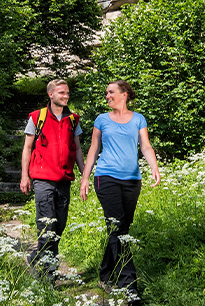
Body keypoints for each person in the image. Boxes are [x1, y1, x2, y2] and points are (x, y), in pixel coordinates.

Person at [80, 80, 160, 305]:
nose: (107, 96)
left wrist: (154, 167)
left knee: (121, 228)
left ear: (124, 95)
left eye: (111, 92)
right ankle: (130, 286)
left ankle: (105, 274)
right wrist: (85, 177)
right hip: (106, 178)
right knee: (117, 227)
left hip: (133, 180)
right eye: (106, 92)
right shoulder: (101, 120)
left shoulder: (138, 119)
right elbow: (94, 149)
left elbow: (145, 145)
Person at [21, 79, 85, 279]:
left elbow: (78, 149)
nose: (66, 96)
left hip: (64, 180)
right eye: (61, 93)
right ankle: (49, 274)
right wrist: (25, 176)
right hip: (42, 180)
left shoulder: (73, 119)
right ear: (51, 94)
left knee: (59, 225)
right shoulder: (37, 117)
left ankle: (35, 256)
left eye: (67, 93)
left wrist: (85, 176)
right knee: (47, 226)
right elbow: (27, 148)